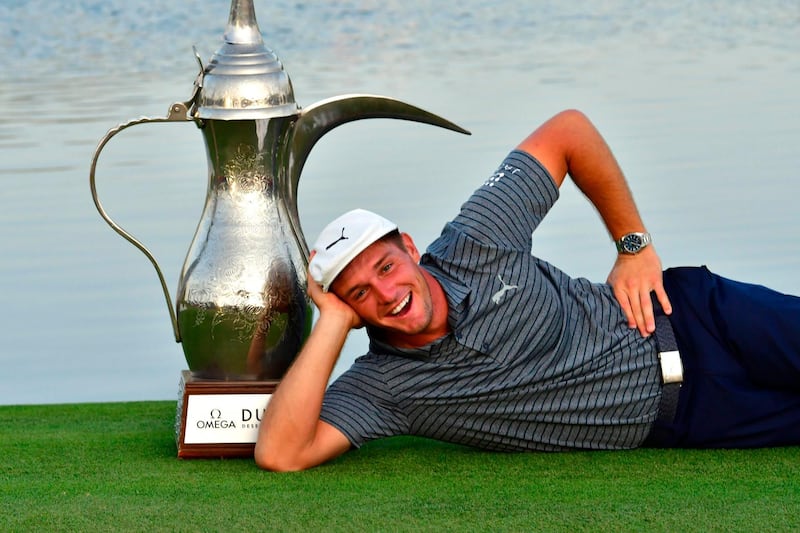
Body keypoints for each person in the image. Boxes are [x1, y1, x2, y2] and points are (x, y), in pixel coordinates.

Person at [254, 109, 800, 472]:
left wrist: (632, 246)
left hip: (696, 316)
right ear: (349, 310)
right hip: (692, 417)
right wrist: (327, 320)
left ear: (410, 248)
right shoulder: (383, 389)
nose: (386, 292)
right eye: (358, 293)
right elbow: (281, 452)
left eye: (385, 266)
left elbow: (568, 131)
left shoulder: (477, 239)